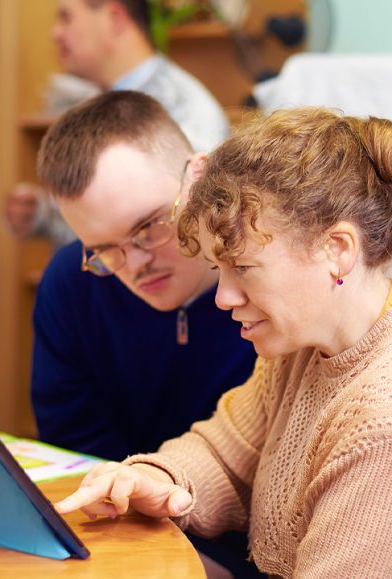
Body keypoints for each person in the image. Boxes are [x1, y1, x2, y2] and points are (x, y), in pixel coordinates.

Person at [54, 107, 392, 577]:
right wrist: (158, 480)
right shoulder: (308, 343)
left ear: (337, 250)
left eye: (243, 268)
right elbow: (227, 454)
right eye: (217, 269)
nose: (224, 298)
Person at [35, 90, 259, 578]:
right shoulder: (71, 282)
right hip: (119, 538)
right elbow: (72, 449)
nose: (135, 264)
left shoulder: (269, 288)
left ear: (199, 175)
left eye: (151, 226)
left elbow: (277, 484)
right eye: (105, 249)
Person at [5, 0, 229, 242]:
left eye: (66, 18)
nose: (55, 33)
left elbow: (183, 234)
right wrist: (44, 213)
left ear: (114, 19)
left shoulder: (181, 109)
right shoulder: (104, 103)